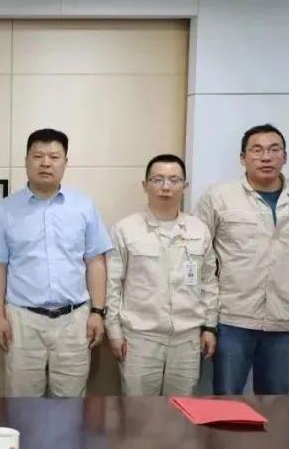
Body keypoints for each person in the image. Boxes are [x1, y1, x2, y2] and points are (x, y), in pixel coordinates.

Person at [0, 128, 111, 397]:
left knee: (71, 402)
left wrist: (97, 312)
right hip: (22, 320)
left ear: (65, 162)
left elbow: (95, 261)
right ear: (26, 161)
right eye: (38, 156)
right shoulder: (6, 209)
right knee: (23, 402)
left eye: (54, 156)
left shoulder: (84, 206)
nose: (46, 163)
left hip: (74, 319)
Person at [196, 123, 289, 395]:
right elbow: (199, 257)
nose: (266, 157)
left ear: (285, 157)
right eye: (257, 150)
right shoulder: (219, 196)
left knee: (275, 400)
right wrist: (205, 316)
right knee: (227, 399)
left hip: (285, 316)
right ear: (243, 157)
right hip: (232, 318)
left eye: (273, 150)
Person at [105, 154, 219, 396]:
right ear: (145, 185)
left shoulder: (199, 229)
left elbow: (209, 282)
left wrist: (210, 327)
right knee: (138, 411)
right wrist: (113, 332)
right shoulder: (126, 229)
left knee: (181, 411)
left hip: (187, 340)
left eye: (174, 180)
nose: (166, 187)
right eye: (157, 180)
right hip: (140, 338)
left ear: (185, 186)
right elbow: (113, 285)